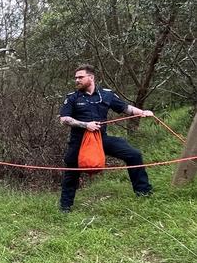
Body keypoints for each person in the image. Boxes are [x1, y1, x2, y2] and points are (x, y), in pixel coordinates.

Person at [59, 64, 154, 213]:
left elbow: (126, 108)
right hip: (79, 141)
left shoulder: (107, 95)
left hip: (101, 139)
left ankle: (144, 193)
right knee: (71, 172)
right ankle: (65, 208)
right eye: (76, 78)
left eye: (80, 77)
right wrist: (85, 125)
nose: (77, 80)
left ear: (91, 77)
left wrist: (142, 112)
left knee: (134, 155)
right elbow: (64, 119)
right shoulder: (72, 98)